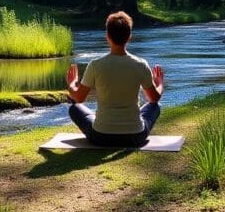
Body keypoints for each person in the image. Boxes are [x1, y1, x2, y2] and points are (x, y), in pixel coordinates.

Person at [65, 11, 164, 147]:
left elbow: (78, 98)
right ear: (129, 37)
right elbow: (154, 99)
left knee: (74, 108)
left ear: (107, 37)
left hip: (101, 136)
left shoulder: (95, 65)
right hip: (135, 136)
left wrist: (71, 83)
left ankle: (104, 122)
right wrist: (159, 83)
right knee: (155, 107)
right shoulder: (141, 64)